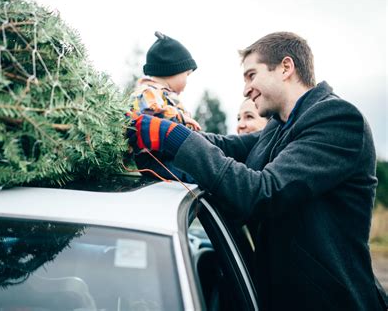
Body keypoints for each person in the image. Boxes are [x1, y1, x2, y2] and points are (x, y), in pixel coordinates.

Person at [128, 31, 387, 310]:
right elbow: (229, 147)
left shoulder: (337, 120)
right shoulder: (279, 124)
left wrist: (175, 138)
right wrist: (163, 132)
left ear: (286, 67)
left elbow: (263, 192)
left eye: (251, 75)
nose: (245, 90)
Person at [129, 31, 200, 182]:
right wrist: (181, 118)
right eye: (187, 75)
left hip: (168, 156)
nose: (187, 82)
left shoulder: (162, 95)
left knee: (200, 172)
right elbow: (151, 118)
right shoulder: (147, 92)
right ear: (173, 70)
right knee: (196, 179)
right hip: (155, 160)